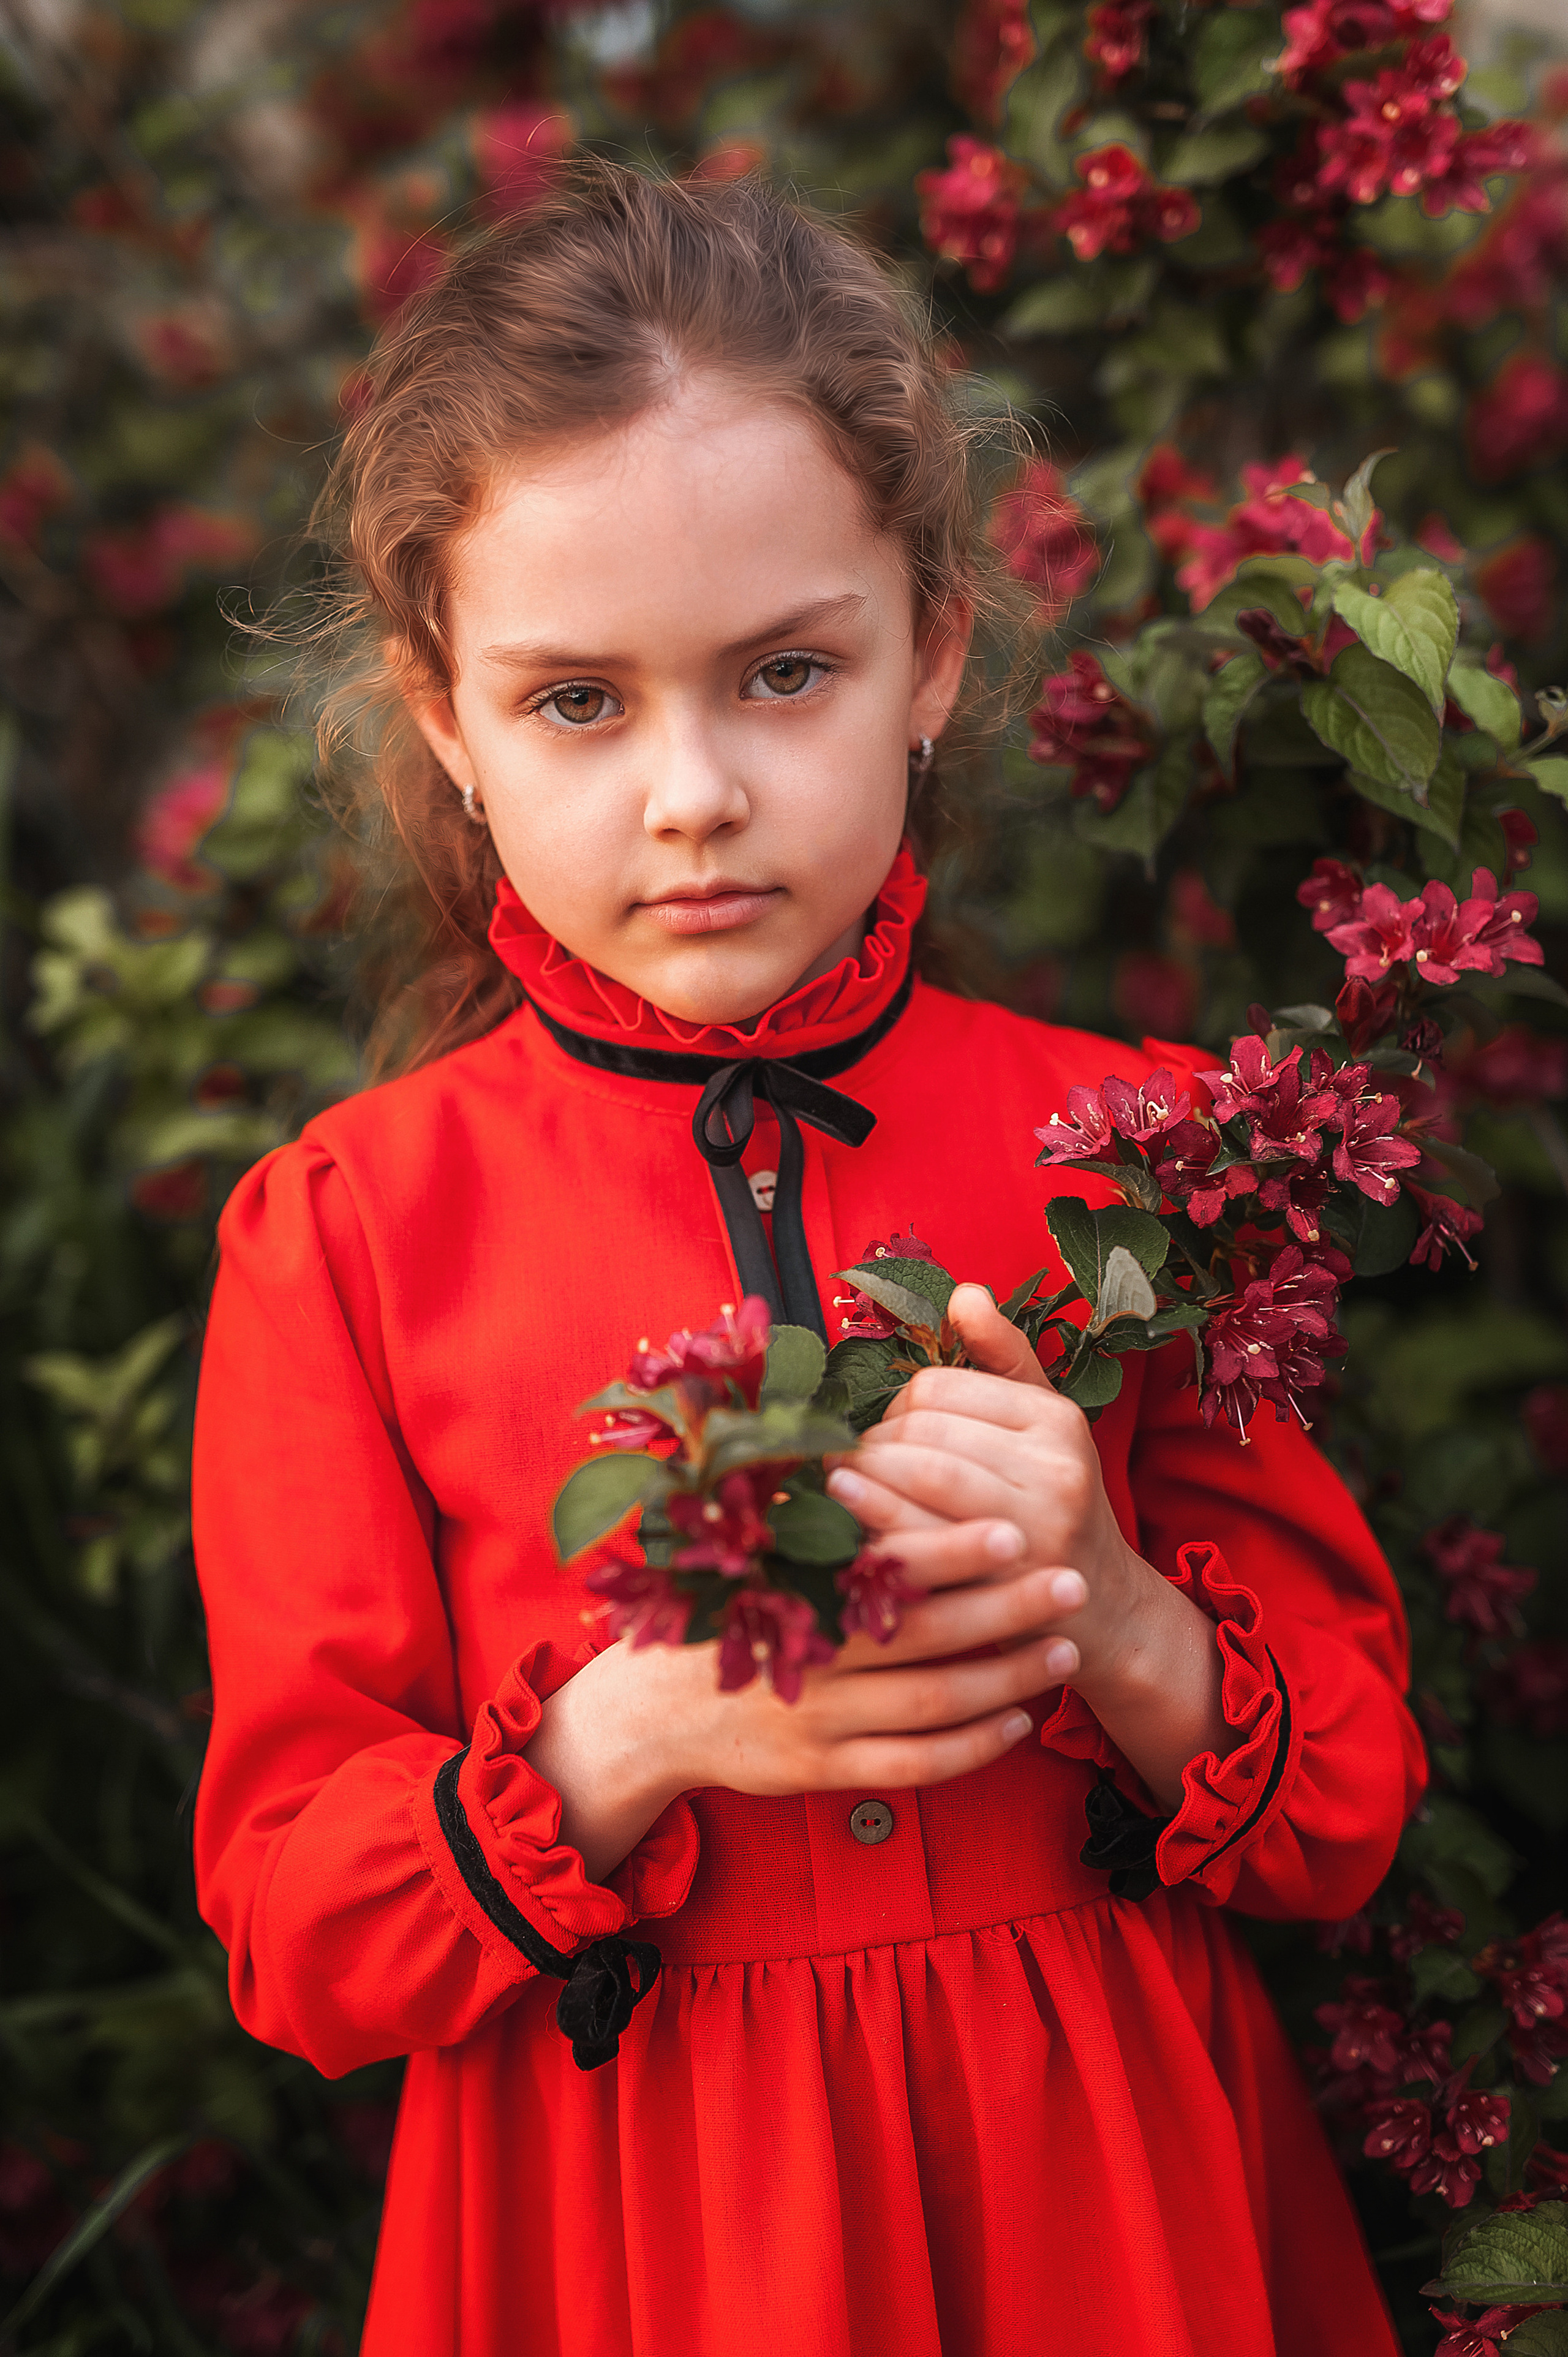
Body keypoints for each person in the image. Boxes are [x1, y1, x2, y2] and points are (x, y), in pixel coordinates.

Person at [192, 164, 1425, 2357]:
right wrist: (629, 1736)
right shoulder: (355, 1234)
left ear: (931, 654)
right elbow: (301, 1926)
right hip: (635, 2226)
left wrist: (1113, 1611)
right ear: (448, 720)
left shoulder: (1136, 1155)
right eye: (578, 701)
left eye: (783, 672)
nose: (695, 794)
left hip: (1098, 2197)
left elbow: (1341, 1805)